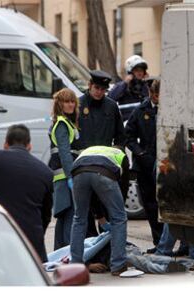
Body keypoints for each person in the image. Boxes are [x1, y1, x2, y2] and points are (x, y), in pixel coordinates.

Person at [0, 124, 53, 263]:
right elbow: (46, 215)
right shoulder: (45, 172)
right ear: (29, 145)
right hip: (31, 245)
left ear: (5, 144)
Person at [78, 70, 126, 237]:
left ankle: (106, 253)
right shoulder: (79, 105)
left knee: (106, 209)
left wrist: (118, 158)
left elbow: (121, 136)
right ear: (90, 85)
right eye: (97, 88)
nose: (99, 92)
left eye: (103, 89)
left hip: (105, 165)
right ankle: (90, 256)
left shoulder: (111, 106)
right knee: (85, 214)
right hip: (84, 165)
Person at [70, 146, 129, 276]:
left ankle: (75, 265)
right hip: (103, 173)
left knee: (79, 218)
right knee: (119, 218)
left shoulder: (90, 150)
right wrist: (113, 212)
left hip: (78, 173)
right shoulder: (121, 155)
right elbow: (122, 187)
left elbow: (93, 194)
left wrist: (99, 216)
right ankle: (118, 265)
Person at [125, 77, 164, 252]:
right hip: (145, 164)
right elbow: (128, 136)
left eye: (159, 95)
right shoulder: (141, 110)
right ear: (150, 93)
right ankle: (158, 242)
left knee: (168, 204)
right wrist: (140, 153)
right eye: (154, 95)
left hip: (165, 163)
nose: (157, 98)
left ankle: (171, 243)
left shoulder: (169, 109)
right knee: (150, 205)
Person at [48, 88, 82, 250]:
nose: (70, 104)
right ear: (59, 104)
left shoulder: (67, 123)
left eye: (72, 101)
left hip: (64, 177)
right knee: (69, 217)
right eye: (66, 101)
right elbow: (65, 154)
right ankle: (67, 254)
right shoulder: (62, 124)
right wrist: (71, 178)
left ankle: (60, 255)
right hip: (64, 178)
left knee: (64, 217)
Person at [108, 55, 149, 121]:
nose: (139, 73)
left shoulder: (145, 86)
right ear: (130, 72)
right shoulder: (123, 86)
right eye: (136, 70)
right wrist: (125, 83)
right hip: (128, 123)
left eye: (141, 70)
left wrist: (148, 84)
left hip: (144, 121)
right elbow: (111, 97)